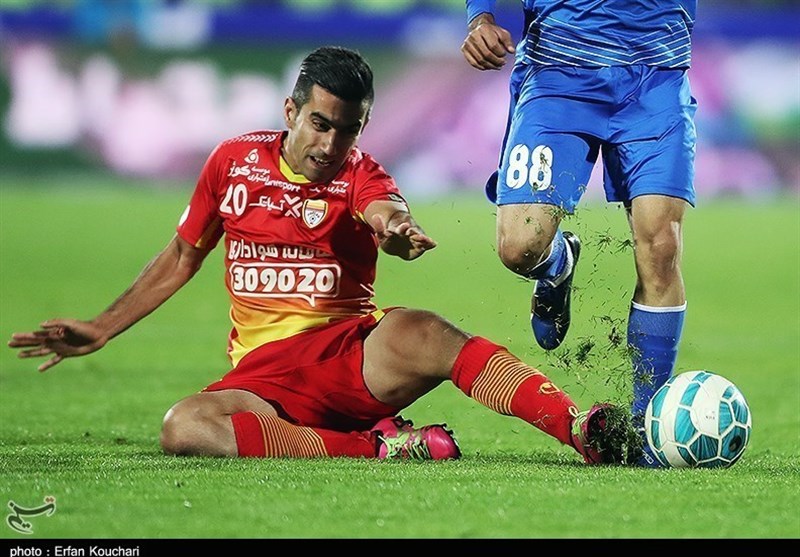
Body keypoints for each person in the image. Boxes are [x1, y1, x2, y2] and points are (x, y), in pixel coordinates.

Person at [8, 46, 640, 465]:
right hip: (265, 379)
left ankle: (578, 427)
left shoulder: (362, 173)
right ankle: (378, 449)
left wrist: (394, 230)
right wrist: (101, 328)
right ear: (292, 111)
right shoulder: (231, 163)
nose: (331, 144)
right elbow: (181, 255)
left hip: (351, 357)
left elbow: (383, 207)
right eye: (320, 123)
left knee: (427, 331)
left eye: (348, 130)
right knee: (184, 426)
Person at [461, 1, 697, 466]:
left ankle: (645, 428)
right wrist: (481, 17)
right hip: (558, 71)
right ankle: (557, 264)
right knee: (518, 247)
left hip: (656, 73)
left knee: (661, 245)